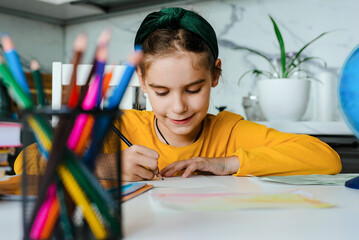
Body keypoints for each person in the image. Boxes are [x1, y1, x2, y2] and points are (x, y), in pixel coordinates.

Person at [14, 7, 341, 182]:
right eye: (161, 91)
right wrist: (102, 167)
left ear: (215, 74)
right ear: (141, 80)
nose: (179, 106)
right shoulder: (118, 126)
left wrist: (228, 164)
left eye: (193, 88)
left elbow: (327, 158)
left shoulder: (228, 131)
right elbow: (23, 163)